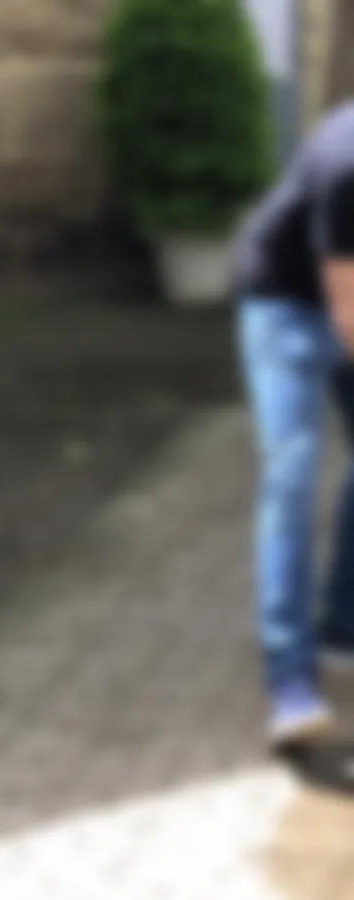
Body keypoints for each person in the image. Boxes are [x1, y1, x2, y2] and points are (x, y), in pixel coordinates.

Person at [234, 99, 354, 747]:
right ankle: (291, 684)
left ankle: (342, 624)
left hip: (339, 299)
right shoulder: (346, 159)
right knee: (292, 476)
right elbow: (349, 315)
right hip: (286, 309)